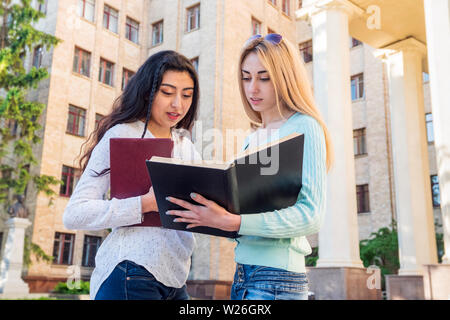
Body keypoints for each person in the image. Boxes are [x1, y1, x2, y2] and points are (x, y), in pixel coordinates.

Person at [166, 34, 334, 300]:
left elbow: (310, 215)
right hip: (243, 275)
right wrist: (213, 217)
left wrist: (233, 221)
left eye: (264, 78)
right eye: (246, 77)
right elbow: (246, 220)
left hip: (278, 278)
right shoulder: (252, 138)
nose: (253, 88)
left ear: (285, 78)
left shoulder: (305, 126)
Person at [63, 50, 201, 300]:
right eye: (167, 93)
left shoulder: (186, 146)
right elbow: (74, 214)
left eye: (187, 95)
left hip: (176, 279)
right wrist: (143, 204)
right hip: (131, 271)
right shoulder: (122, 135)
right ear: (148, 92)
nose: (177, 104)